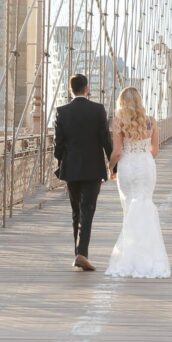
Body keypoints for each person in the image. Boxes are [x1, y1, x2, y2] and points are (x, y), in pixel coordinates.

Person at [105, 86, 171, 278]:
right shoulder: (151, 122)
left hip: (127, 167)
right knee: (145, 204)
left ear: (121, 102)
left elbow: (117, 152)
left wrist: (110, 168)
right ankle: (149, 256)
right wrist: (144, 160)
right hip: (146, 166)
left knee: (129, 207)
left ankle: (130, 256)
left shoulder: (119, 122)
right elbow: (155, 150)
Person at [54, 73, 113, 271]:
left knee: (76, 212)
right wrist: (113, 165)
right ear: (87, 88)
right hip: (93, 169)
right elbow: (105, 139)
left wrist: (60, 162)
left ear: (71, 90)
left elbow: (58, 144)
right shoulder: (98, 110)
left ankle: (78, 253)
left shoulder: (62, 111)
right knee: (88, 210)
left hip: (71, 169)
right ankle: (82, 254)